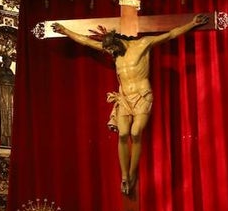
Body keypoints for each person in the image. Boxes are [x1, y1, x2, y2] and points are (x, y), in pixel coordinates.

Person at [51, 13, 209, 195]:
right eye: (108, 51)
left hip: (142, 95)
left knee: (135, 133)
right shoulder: (115, 53)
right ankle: (125, 175)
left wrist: (192, 23)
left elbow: (171, 35)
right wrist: (65, 31)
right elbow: (86, 42)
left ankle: (133, 173)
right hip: (124, 97)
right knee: (123, 134)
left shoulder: (143, 45)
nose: (110, 53)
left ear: (118, 42)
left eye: (111, 49)